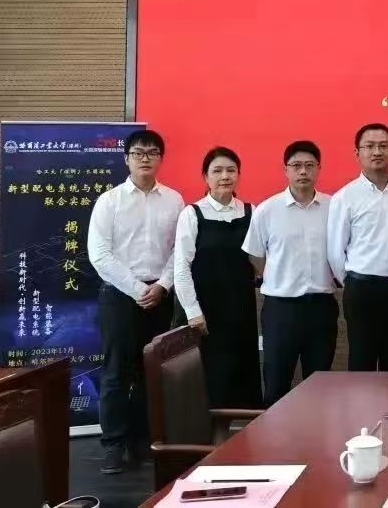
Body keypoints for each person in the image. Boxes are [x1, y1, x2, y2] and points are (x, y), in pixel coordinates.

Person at [88, 129, 185, 475]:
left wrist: (161, 285)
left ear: (161, 159)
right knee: (116, 372)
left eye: (152, 152)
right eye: (138, 152)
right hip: (119, 295)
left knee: (150, 371)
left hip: (159, 295)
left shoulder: (174, 200)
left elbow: (179, 251)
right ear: (126, 159)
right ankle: (114, 445)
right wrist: (136, 289)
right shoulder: (109, 201)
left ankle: (142, 440)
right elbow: (99, 254)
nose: (145, 158)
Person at [243, 140, 337, 406]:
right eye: (296, 166)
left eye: (309, 165)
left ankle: (316, 433)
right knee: (276, 383)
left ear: (318, 168)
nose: (303, 171)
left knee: (319, 387)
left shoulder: (334, 207)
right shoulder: (267, 210)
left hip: (321, 307)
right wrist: (278, 276)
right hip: (280, 310)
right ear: (285, 170)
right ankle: (273, 434)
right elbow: (255, 255)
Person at [174, 147, 262, 409]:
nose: (225, 176)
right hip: (206, 313)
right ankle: (208, 434)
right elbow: (181, 267)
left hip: (241, 308)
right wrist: (193, 312)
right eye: (218, 171)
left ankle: (245, 432)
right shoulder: (192, 214)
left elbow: (259, 260)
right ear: (206, 176)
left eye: (231, 170)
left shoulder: (251, 211)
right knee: (210, 378)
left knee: (243, 376)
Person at [327, 123, 388, 371]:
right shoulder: (345, 196)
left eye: (383, 146)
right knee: (362, 361)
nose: (377, 151)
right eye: (369, 146)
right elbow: (335, 251)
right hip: (362, 290)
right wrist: (353, 281)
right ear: (357, 153)